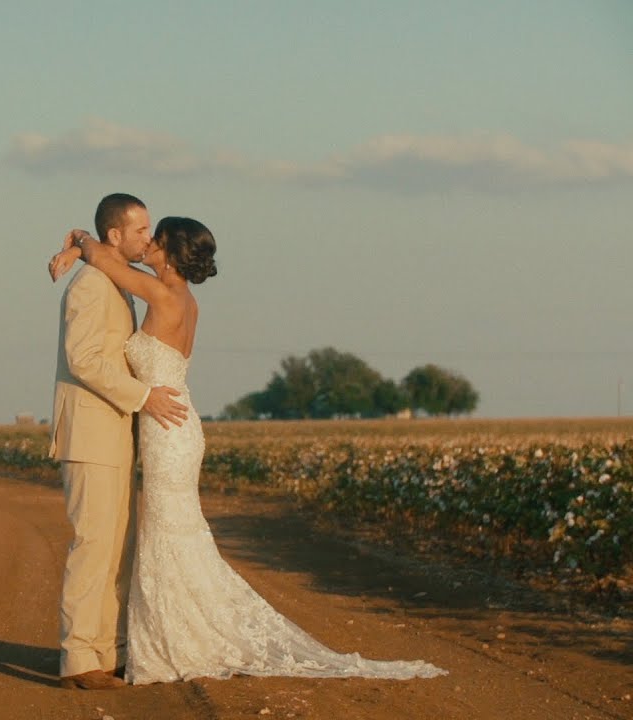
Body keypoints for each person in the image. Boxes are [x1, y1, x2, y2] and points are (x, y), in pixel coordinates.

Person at [49, 217, 447, 685]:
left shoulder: (161, 294)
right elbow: (109, 260)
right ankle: (168, 638)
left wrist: (79, 242)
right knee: (170, 535)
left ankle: (174, 641)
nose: (148, 244)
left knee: (166, 536)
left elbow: (104, 259)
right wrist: (81, 244)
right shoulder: (181, 299)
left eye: (155, 240)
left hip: (166, 425)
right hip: (172, 425)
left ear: (171, 254)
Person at [48, 193, 189, 691]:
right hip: (91, 433)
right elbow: (85, 359)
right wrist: (144, 396)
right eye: (139, 231)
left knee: (116, 549)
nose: (148, 239)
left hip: (116, 432)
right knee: (94, 545)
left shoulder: (113, 278)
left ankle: (108, 652)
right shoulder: (90, 286)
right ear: (115, 236)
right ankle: (80, 660)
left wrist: (78, 241)